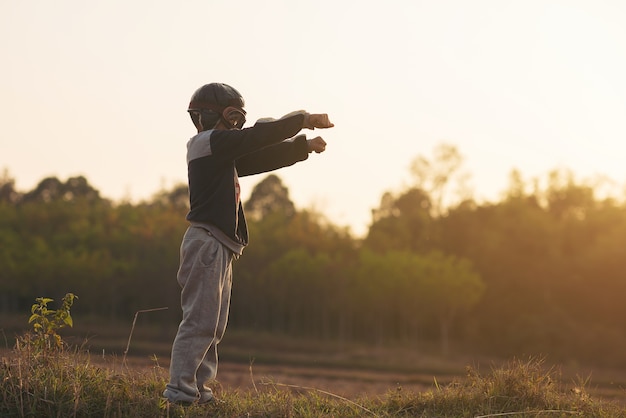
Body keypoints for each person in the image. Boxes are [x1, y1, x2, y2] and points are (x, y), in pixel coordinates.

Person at [162, 82, 334, 405]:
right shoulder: (204, 144)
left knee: (212, 326)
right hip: (206, 243)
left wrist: (303, 147)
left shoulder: (220, 155)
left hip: (220, 246)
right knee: (199, 322)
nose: (238, 127)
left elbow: (260, 156)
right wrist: (303, 119)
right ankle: (179, 394)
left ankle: (199, 392)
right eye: (235, 119)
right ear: (213, 117)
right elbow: (255, 137)